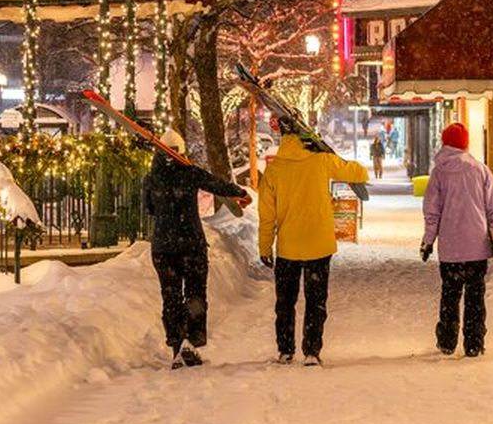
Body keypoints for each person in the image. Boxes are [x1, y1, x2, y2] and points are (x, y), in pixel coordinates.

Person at [258, 120, 369, 366]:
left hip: (288, 247)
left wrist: (265, 248)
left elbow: (267, 216)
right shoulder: (322, 161)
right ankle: (311, 351)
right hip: (319, 245)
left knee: (285, 302)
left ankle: (285, 350)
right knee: (316, 300)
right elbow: (359, 172)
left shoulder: (275, 170)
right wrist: (327, 152)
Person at [142, 129, 249, 369]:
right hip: (191, 244)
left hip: (162, 247)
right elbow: (215, 183)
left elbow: (149, 208)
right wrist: (240, 193)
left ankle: (176, 346)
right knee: (195, 294)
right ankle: (192, 340)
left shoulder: (151, 178)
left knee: (170, 297)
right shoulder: (189, 173)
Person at [420, 121, 493, 359]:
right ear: (465, 144)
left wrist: (428, 241)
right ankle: (474, 343)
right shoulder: (480, 170)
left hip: (450, 249)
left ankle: (447, 340)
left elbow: (432, 212)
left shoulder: (439, 172)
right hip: (477, 247)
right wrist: (492, 236)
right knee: (475, 297)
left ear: (445, 143)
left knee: (450, 294)